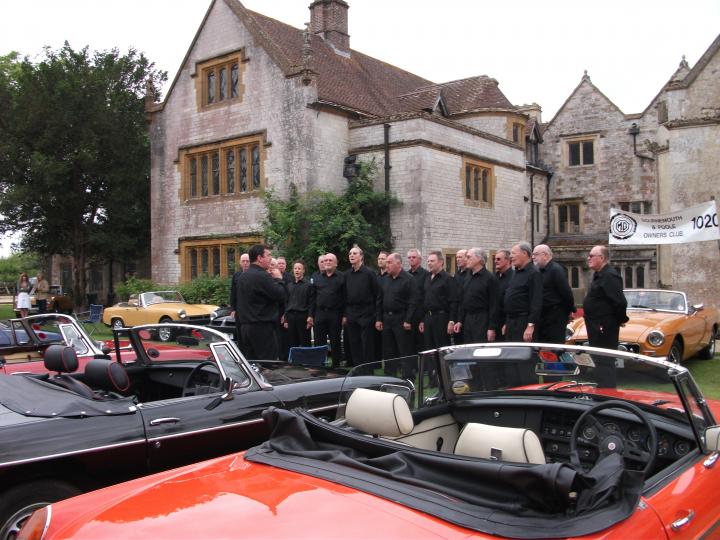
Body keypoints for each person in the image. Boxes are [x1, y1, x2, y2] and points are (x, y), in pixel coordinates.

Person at [584, 245, 628, 388]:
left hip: (604, 326)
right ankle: (602, 389)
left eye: (591, 256)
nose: (588, 258)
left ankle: (608, 392)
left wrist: (619, 319)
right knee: (599, 360)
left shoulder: (610, 275)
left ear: (601, 258)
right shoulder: (599, 274)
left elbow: (619, 301)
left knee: (605, 360)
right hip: (596, 325)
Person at [235, 244, 288, 360]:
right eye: (268, 255)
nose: (270, 258)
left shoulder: (243, 276)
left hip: (245, 328)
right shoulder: (262, 276)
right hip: (262, 328)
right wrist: (279, 279)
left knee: (251, 364)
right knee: (268, 364)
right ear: (259, 258)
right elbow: (281, 295)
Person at [343, 245, 381, 366]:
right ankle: (357, 368)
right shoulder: (347, 275)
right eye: (350, 254)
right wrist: (345, 314)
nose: (351, 256)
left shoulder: (370, 273)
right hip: (351, 312)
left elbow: (377, 294)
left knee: (367, 343)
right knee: (354, 342)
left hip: (366, 312)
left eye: (354, 253)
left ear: (361, 257)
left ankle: (367, 369)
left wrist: (376, 315)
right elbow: (344, 295)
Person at [376, 253, 417, 362]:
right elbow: (379, 300)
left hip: (401, 319)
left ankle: (408, 374)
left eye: (389, 262)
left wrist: (408, 320)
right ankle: (390, 374)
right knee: (388, 349)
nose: (386, 265)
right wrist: (379, 319)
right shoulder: (385, 279)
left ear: (398, 264)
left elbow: (413, 302)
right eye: (387, 262)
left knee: (405, 349)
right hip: (387, 319)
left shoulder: (409, 279)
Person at [532, 244, 575, 344]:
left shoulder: (556, 270)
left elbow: (566, 293)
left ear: (545, 255)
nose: (533, 257)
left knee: (553, 348)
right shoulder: (539, 271)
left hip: (555, 318)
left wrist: (569, 311)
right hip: (543, 317)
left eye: (536, 254)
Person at [454, 248, 498, 343]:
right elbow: (463, 300)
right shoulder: (467, 276)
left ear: (478, 259)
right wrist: (460, 320)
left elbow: (494, 305)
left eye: (469, 257)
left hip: (482, 319)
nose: (466, 259)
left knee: (480, 349)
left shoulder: (490, 278)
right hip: (468, 319)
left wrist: (491, 327)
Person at [309, 253, 345, 367]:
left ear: (336, 263)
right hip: (319, 313)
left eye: (330, 260)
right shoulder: (317, 278)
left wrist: (344, 315)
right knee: (319, 341)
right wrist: (310, 315)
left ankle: (336, 366)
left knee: (335, 341)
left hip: (335, 314)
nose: (327, 262)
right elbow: (312, 298)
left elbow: (346, 297)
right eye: (325, 261)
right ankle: (320, 365)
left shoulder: (342, 277)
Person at [420, 250, 457, 349]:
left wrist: (451, 321)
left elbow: (453, 302)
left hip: (441, 318)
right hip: (428, 318)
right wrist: (423, 320)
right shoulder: (427, 278)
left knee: (442, 347)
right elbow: (424, 299)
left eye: (432, 261)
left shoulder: (448, 279)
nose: (429, 263)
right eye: (428, 261)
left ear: (441, 262)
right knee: (429, 348)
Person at [284, 261, 312, 349]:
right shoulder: (289, 285)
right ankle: (294, 362)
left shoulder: (308, 285)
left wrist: (310, 316)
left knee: (305, 341)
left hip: (303, 317)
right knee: (292, 342)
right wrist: (285, 318)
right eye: (295, 268)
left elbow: (311, 302)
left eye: (299, 268)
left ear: (303, 271)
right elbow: (286, 302)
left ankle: (307, 362)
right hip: (291, 317)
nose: (297, 270)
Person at [407, 248, 429, 352]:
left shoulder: (426, 275)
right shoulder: (406, 275)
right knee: (409, 344)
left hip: (421, 315)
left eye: (414, 257)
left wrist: (423, 319)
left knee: (422, 345)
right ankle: (412, 368)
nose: (411, 259)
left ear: (419, 259)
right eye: (409, 257)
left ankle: (424, 367)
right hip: (409, 315)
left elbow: (426, 297)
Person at [493, 250, 514, 342]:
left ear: (508, 260)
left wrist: (507, 323)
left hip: (507, 321)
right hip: (494, 322)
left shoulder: (514, 277)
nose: (495, 261)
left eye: (498, 259)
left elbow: (513, 302)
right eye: (494, 259)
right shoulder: (493, 277)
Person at [452, 249, 469, 345]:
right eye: (457, 257)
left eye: (460, 257)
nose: (457, 259)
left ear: (467, 258)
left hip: (466, 314)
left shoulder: (470, 274)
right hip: (456, 311)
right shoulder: (457, 275)